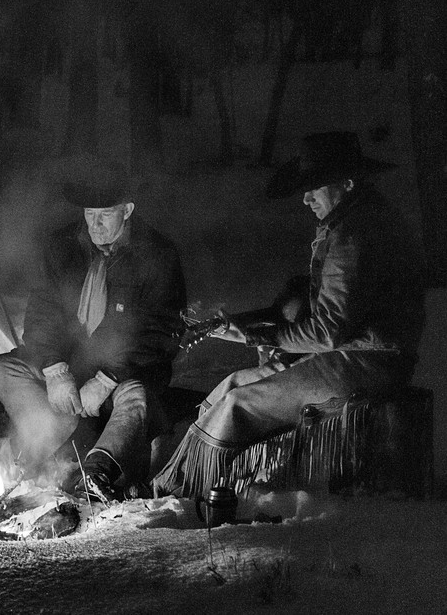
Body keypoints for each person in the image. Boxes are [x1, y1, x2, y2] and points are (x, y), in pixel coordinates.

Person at [153, 131, 426, 499]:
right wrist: (251, 326)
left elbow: (328, 331)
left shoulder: (354, 236)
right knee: (234, 384)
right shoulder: (353, 222)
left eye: (315, 187)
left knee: (239, 404)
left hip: (370, 361)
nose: (306, 197)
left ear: (347, 183)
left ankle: (178, 490)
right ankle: (174, 471)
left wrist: (261, 335)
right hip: (353, 353)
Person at [0, 175, 187, 503]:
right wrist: (54, 368)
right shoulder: (62, 245)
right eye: (88, 213)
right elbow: (41, 312)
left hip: (125, 373)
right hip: (70, 362)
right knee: (5, 368)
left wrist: (108, 378)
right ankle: (49, 443)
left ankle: (97, 469)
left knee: (136, 397)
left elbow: (161, 332)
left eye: (105, 214)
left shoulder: (157, 254)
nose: (94, 225)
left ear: (127, 210)